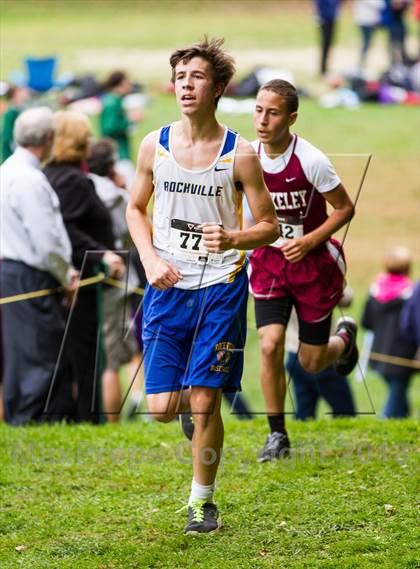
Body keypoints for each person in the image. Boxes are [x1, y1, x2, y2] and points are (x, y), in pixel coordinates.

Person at [126, 37, 278, 534]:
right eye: (181, 78)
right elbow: (134, 207)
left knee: (204, 398)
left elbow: (270, 226)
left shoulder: (242, 154)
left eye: (197, 78)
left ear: (218, 89)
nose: (186, 86)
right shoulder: (155, 144)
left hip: (221, 284)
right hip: (167, 286)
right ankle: (193, 411)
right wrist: (149, 260)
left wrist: (234, 236)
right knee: (161, 411)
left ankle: (201, 503)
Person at [248, 79, 358, 463]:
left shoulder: (310, 160)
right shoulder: (247, 157)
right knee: (269, 344)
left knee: (311, 362)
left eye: (273, 112)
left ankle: (345, 339)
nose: (263, 120)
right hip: (269, 264)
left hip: (313, 266)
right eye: (259, 110)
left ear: (291, 117)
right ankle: (276, 433)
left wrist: (309, 241)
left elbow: (345, 208)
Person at [44, 111, 125, 424]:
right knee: (83, 350)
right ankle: (86, 418)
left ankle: (85, 416)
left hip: (77, 278)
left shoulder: (56, 174)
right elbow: (66, 228)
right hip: (78, 279)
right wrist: (102, 254)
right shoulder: (71, 180)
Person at [0, 107, 78, 425]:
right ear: (48, 139)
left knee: (22, 350)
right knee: (41, 351)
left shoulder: (6, 170)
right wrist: (67, 274)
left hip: (10, 272)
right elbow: (47, 243)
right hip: (30, 275)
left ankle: (24, 415)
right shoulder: (30, 180)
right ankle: (35, 419)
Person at [87, 138, 143, 422]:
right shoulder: (117, 197)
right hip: (119, 278)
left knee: (107, 350)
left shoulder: (83, 190)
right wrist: (125, 190)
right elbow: (133, 234)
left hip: (90, 277)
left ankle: (125, 407)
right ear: (111, 166)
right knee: (114, 356)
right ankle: (113, 419)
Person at [361, 246, 417, 418]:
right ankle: (385, 421)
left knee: (398, 389)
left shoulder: (375, 290)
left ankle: (403, 417)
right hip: (403, 354)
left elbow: (366, 322)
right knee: (397, 390)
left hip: (379, 353)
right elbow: (414, 324)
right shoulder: (412, 293)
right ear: (408, 267)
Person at [286, 288, 356, 420]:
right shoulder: (320, 276)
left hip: (293, 354)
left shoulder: (280, 275)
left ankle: (302, 439)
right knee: (345, 412)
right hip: (323, 355)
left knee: (304, 413)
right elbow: (346, 299)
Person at [99, 71, 137, 186]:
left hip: (120, 152)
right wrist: (130, 121)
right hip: (118, 154)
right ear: (119, 84)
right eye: (127, 82)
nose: (130, 85)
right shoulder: (112, 103)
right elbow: (109, 128)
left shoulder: (116, 101)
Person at [353, 0, 386, 72]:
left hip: (370, 21)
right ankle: (362, 62)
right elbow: (379, 4)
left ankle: (363, 61)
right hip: (365, 21)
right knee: (366, 42)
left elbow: (381, 5)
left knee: (368, 43)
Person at [1, 85, 30, 162]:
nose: (25, 93)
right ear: (16, 94)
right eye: (21, 91)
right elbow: (7, 138)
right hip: (12, 155)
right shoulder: (11, 112)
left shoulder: (20, 109)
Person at [313, 0, 343, 76]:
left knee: (330, 43)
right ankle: (323, 68)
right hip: (324, 19)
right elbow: (317, 3)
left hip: (332, 18)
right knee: (325, 44)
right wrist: (317, 15)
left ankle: (327, 67)